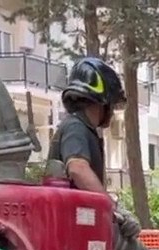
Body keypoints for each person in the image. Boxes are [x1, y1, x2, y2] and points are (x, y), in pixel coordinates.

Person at [50, 56, 125, 194]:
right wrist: (107, 203)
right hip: (70, 208)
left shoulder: (84, 128)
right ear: (103, 102)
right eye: (112, 104)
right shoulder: (75, 127)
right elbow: (77, 168)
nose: (112, 112)